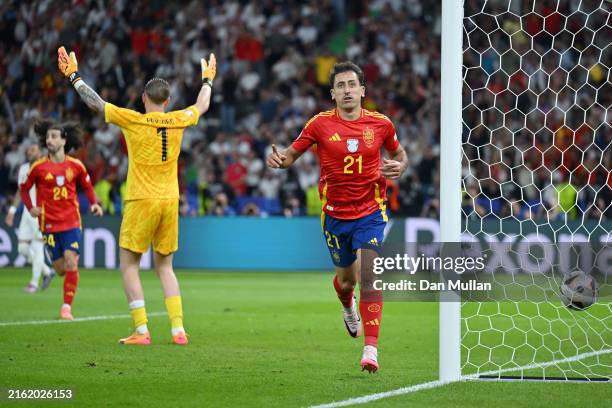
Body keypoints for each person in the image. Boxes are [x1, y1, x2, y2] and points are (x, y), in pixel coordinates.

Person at [57, 46, 216, 345]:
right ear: (167, 102)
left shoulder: (133, 119)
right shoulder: (179, 118)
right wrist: (207, 79)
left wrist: (74, 76)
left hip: (141, 200)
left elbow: (96, 103)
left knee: (129, 264)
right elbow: (202, 105)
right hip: (170, 201)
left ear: (144, 99)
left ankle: (141, 330)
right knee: (165, 266)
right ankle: (178, 329)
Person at [267, 61, 408, 373]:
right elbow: (291, 154)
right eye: (341, 86)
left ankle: (371, 349)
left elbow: (399, 155)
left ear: (362, 90)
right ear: (332, 93)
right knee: (347, 281)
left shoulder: (381, 124)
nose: (347, 90)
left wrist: (401, 165)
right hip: (334, 215)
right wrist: (280, 160)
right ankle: (347, 305)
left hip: (371, 211)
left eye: (352, 85)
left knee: (370, 275)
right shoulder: (319, 125)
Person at [20, 120, 103, 319]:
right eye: (48, 137)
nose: (50, 140)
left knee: (71, 262)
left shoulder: (76, 166)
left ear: (64, 140)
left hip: (71, 222)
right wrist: (30, 207)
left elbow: (87, 186)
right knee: (60, 269)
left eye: (54, 136)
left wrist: (94, 203)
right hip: (48, 224)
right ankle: (68, 269)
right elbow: (24, 188)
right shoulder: (38, 167)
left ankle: (66, 307)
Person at [5, 143, 55, 293]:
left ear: (40, 153)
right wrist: (12, 211)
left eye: (33, 150)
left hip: (40, 212)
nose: (29, 152)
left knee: (38, 247)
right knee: (22, 249)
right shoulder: (24, 168)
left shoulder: (47, 167)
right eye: (28, 150)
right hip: (27, 213)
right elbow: (21, 192)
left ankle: (33, 283)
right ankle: (47, 272)